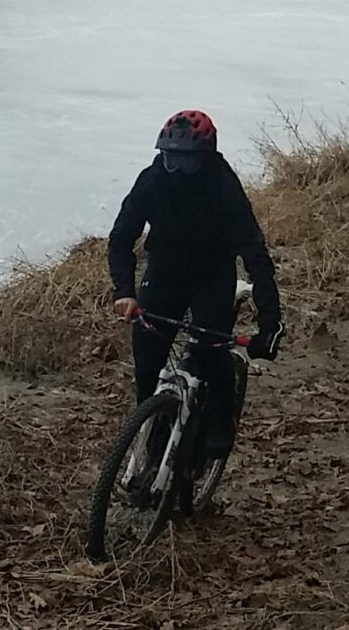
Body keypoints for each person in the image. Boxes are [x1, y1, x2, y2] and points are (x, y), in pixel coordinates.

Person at [107, 111, 281, 489]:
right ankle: (150, 437)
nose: (178, 169)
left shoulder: (223, 186)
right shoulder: (152, 182)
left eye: (187, 161)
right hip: (165, 274)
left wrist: (270, 323)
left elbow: (254, 252)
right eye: (171, 159)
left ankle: (219, 421)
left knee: (210, 348)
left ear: (205, 158)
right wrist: (124, 292)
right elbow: (121, 239)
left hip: (211, 277)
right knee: (147, 364)